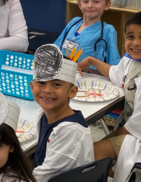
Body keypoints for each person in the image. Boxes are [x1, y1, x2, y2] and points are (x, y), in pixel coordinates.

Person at [77, 11, 141, 182]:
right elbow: (115, 73)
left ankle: (126, 177)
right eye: (130, 36)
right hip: (131, 128)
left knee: (89, 155)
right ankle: (121, 174)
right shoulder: (131, 60)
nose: (135, 43)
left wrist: (112, 137)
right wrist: (92, 60)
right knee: (85, 150)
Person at [29, 44, 94, 181]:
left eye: (57, 84)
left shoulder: (70, 132)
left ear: (72, 91)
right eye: (41, 82)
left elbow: (42, 177)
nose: (47, 90)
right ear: (32, 86)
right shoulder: (44, 115)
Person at [54, 0, 121, 66]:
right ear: (79, 4)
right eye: (85, 1)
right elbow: (55, 48)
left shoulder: (107, 30)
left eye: (96, 1)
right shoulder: (74, 22)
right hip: (63, 72)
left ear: (107, 5)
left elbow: (114, 64)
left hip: (89, 77)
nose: (90, 5)